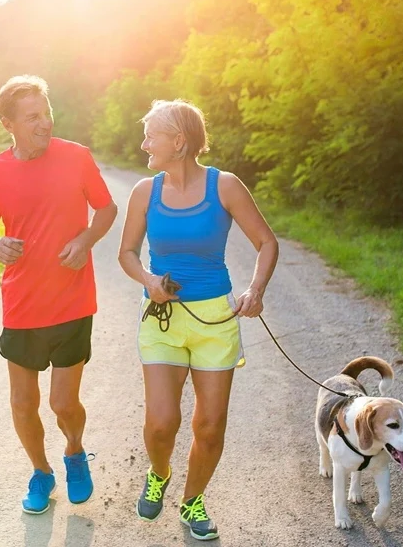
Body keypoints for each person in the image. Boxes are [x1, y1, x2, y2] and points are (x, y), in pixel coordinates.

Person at [118, 99, 279, 539]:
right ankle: (159, 472)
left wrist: (255, 290)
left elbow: (266, 242)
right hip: (162, 317)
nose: (144, 142)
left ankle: (192, 501)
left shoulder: (224, 186)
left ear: (179, 141)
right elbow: (127, 253)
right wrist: (149, 279)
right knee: (161, 422)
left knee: (209, 426)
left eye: (152, 134)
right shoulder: (144, 192)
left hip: (216, 319)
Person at [0, 75, 118, 514]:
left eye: (46, 113)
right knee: (22, 402)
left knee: (62, 402)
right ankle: (41, 471)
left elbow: (107, 208)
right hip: (22, 305)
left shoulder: (76, 157)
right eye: (32, 117)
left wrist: (87, 239)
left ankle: (74, 451)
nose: (44, 123)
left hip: (73, 301)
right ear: (8, 123)